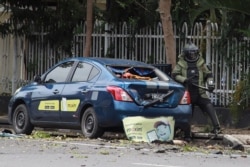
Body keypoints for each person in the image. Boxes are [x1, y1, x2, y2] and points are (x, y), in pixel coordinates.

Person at [172, 41, 221, 141]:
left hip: (200, 92)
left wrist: (211, 84)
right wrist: (184, 80)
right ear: (186, 54)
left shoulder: (201, 63)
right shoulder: (181, 64)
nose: (193, 55)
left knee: (209, 106)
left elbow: (209, 75)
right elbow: (175, 75)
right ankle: (186, 134)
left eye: (194, 53)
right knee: (187, 113)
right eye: (190, 53)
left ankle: (216, 128)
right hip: (187, 94)